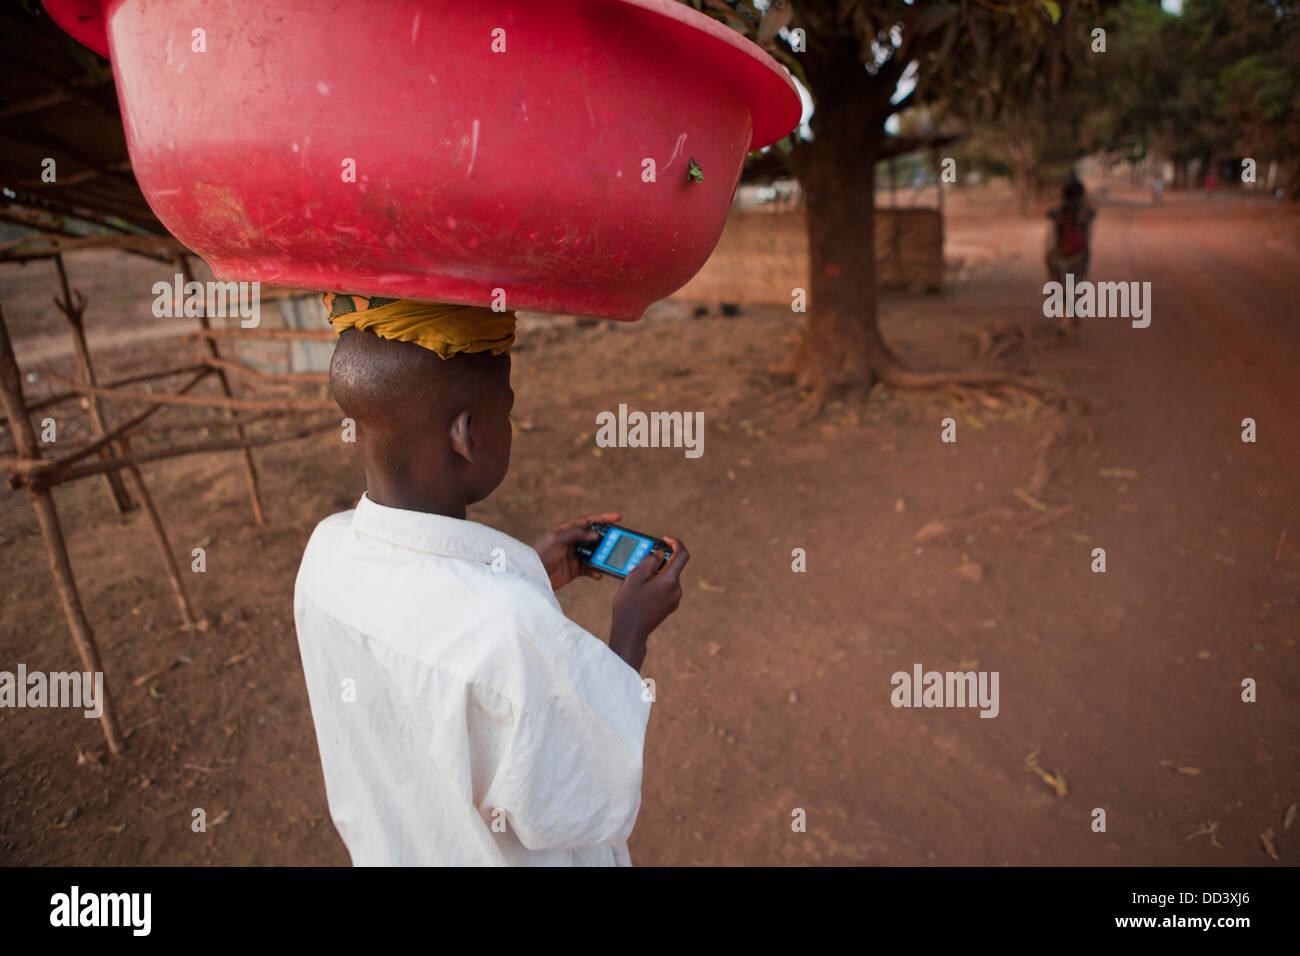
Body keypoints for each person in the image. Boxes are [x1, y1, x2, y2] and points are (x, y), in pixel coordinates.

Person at [293, 294, 689, 866]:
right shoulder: (505, 627)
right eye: (507, 409)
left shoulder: (324, 551)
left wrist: (522, 572)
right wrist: (630, 630)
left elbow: (429, 638)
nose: (511, 423)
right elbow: (584, 790)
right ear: (468, 434)